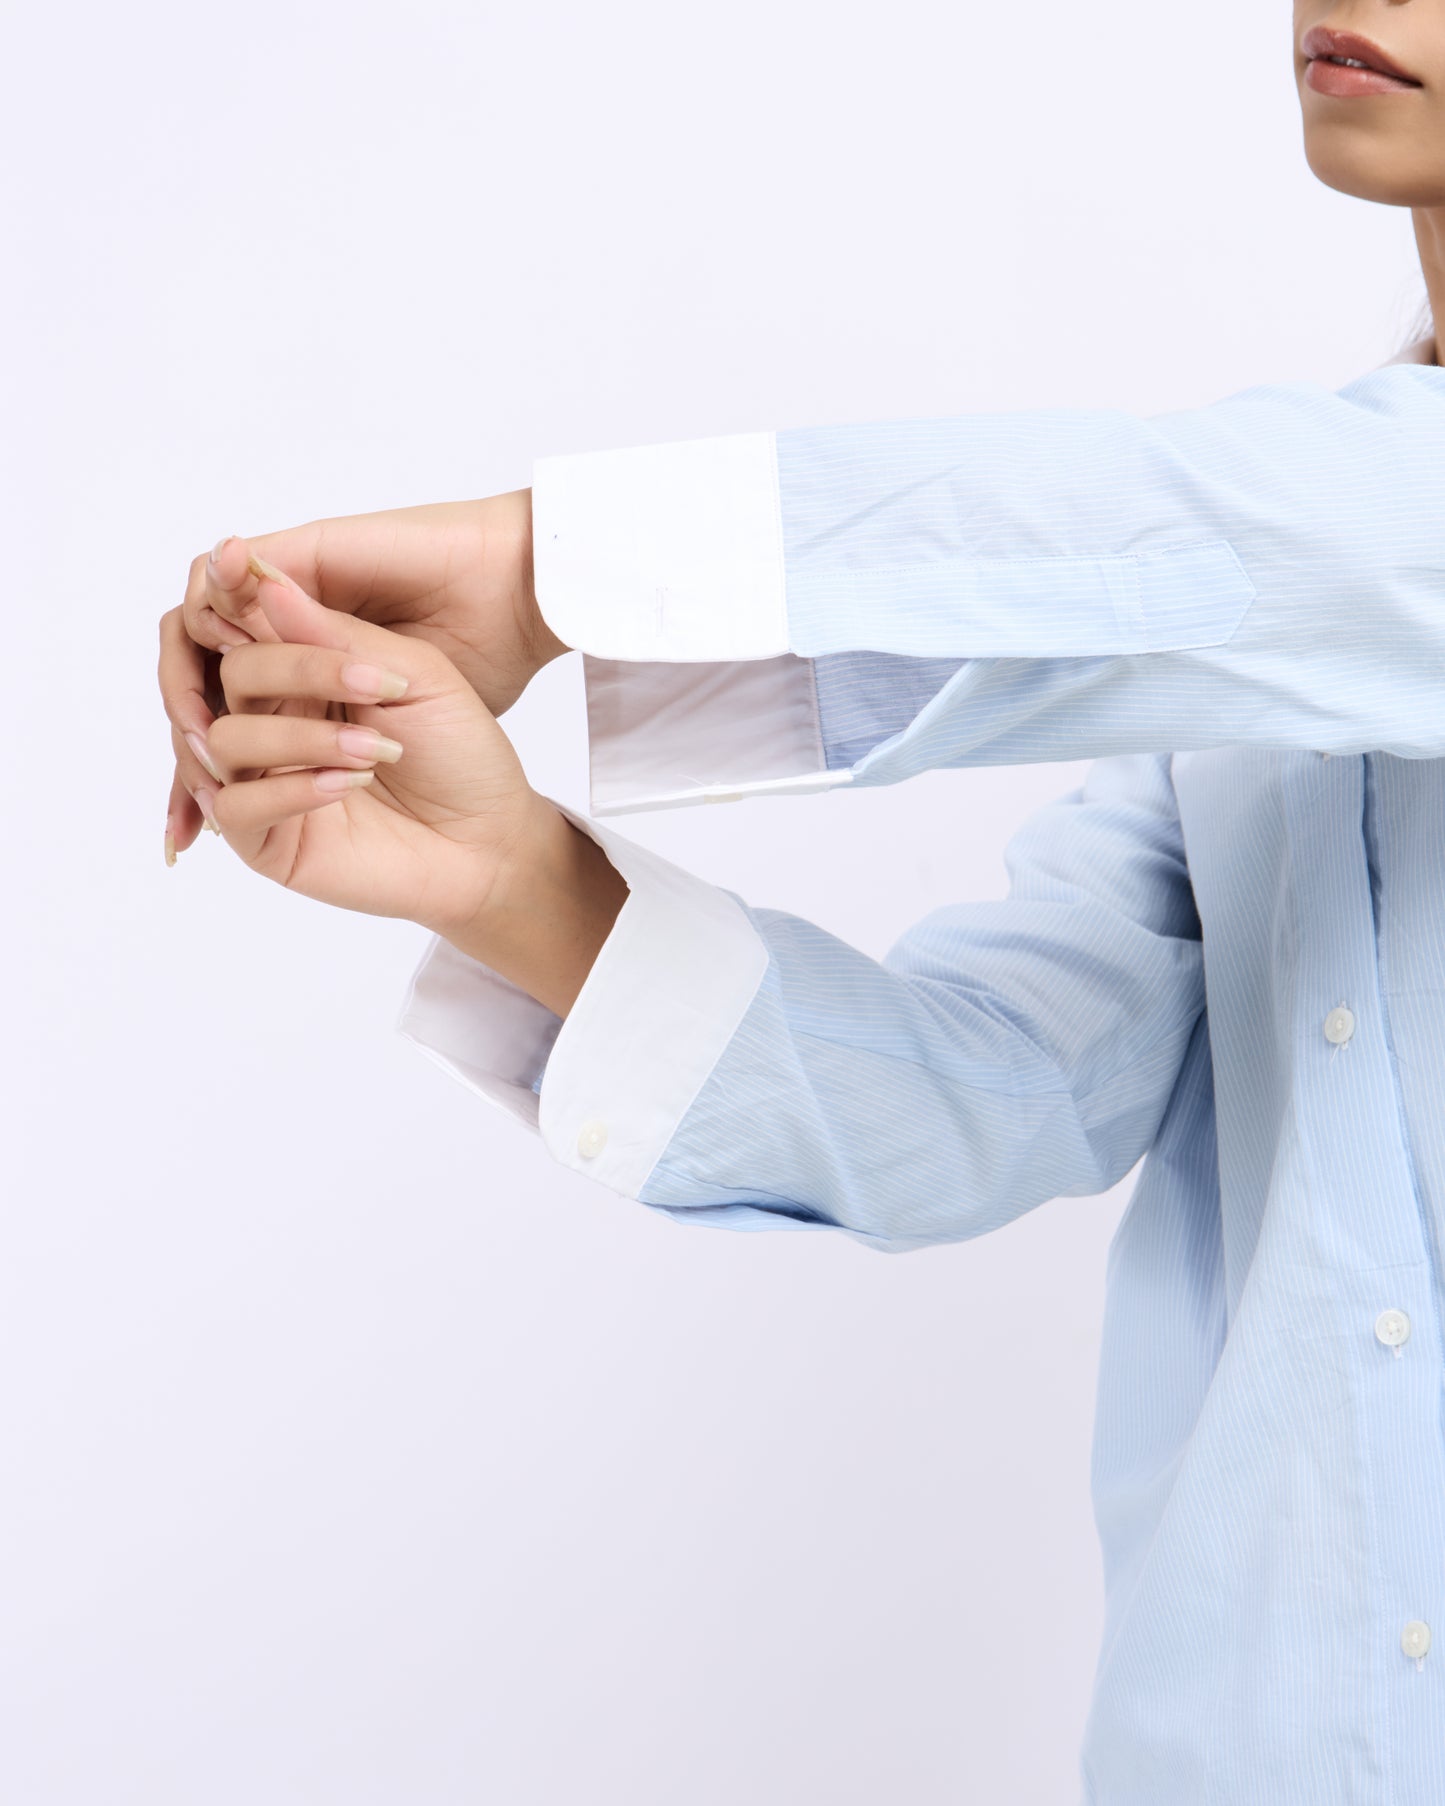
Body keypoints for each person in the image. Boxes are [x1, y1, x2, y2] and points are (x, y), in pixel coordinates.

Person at [155, 9, 1445, 1800]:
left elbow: (1345, 527)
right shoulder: (1216, 619)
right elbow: (996, 1095)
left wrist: (561, 568)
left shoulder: (1272, 550)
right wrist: (514, 877)